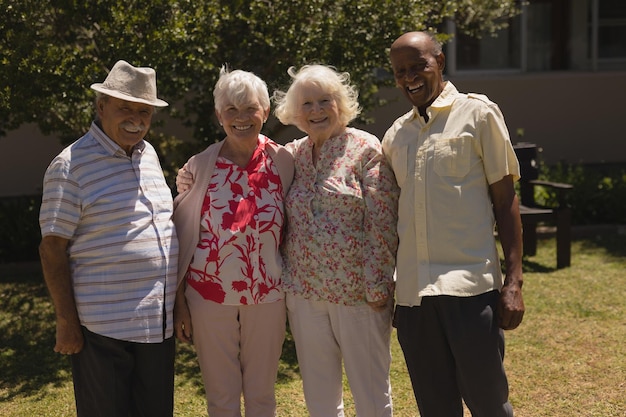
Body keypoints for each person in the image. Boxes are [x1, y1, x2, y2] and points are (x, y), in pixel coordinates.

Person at [382, 31, 525, 417]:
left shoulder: (478, 114)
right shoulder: (395, 136)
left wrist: (513, 281)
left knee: (488, 403)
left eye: (418, 66)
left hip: (469, 290)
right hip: (414, 297)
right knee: (435, 407)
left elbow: (505, 199)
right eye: (400, 71)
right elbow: (394, 216)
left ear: (440, 63)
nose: (409, 77)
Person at [38, 60, 178, 417]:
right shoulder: (70, 165)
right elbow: (52, 248)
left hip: (156, 325)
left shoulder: (148, 155)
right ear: (101, 107)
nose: (136, 119)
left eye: (144, 111)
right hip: (103, 330)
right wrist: (66, 322)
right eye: (125, 108)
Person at [273, 64, 399, 417]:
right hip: (304, 292)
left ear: (340, 104)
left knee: (372, 394)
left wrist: (377, 285)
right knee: (320, 397)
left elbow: (383, 222)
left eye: (324, 101)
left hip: (358, 294)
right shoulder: (292, 154)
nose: (315, 111)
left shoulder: (365, 149)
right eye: (307, 103)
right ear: (296, 112)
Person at [172, 66, 294, 417]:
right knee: (221, 398)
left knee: (261, 395)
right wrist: (180, 301)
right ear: (218, 115)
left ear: (266, 112)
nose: (241, 118)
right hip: (209, 298)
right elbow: (182, 235)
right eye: (231, 110)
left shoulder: (284, 162)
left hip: (268, 297)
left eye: (250, 108)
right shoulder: (198, 167)